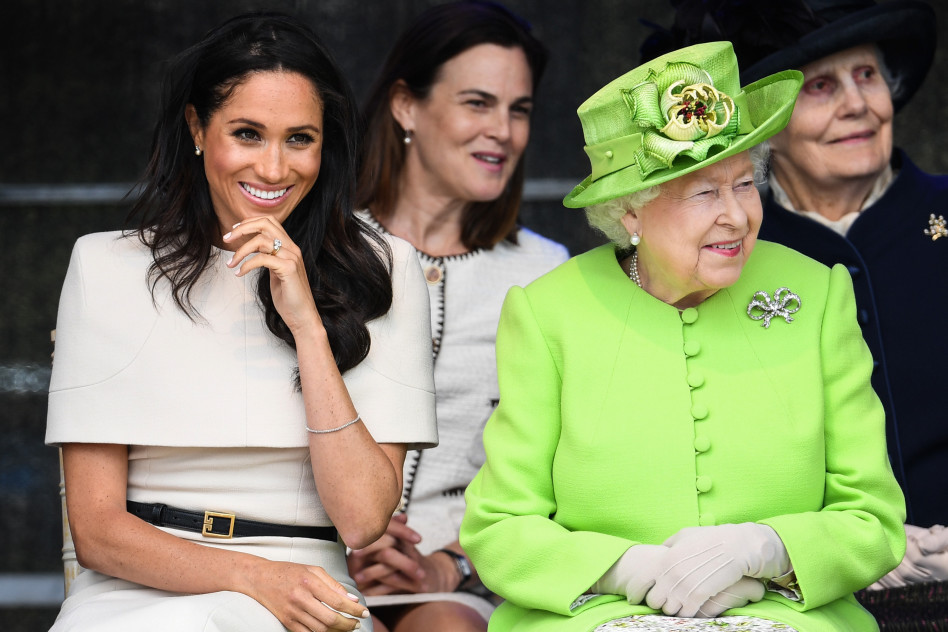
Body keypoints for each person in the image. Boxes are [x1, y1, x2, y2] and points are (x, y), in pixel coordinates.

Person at [460, 41, 907, 631]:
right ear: (631, 213)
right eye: (704, 193)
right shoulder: (548, 313)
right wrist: (625, 569)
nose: (737, 215)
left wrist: (765, 552)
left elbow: (873, 519)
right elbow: (499, 528)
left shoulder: (817, 293)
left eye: (744, 184)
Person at [45, 13, 437, 632]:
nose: (275, 169)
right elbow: (98, 534)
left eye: (300, 139)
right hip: (137, 589)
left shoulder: (385, 269)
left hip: (310, 588)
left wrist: (308, 326)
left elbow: (362, 521)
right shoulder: (106, 266)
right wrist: (254, 578)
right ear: (198, 127)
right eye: (248, 134)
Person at [640, 0, 948, 590]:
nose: (856, 104)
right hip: (787, 589)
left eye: (867, 76)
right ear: (762, 124)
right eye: (820, 86)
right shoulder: (719, 248)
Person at [345, 2, 568, 631]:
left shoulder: (547, 272)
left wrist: (452, 563)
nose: (503, 130)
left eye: (518, 109)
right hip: (313, 557)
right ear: (406, 106)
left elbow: (564, 467)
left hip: (466, 572)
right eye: (478, 103)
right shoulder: (320, 252)